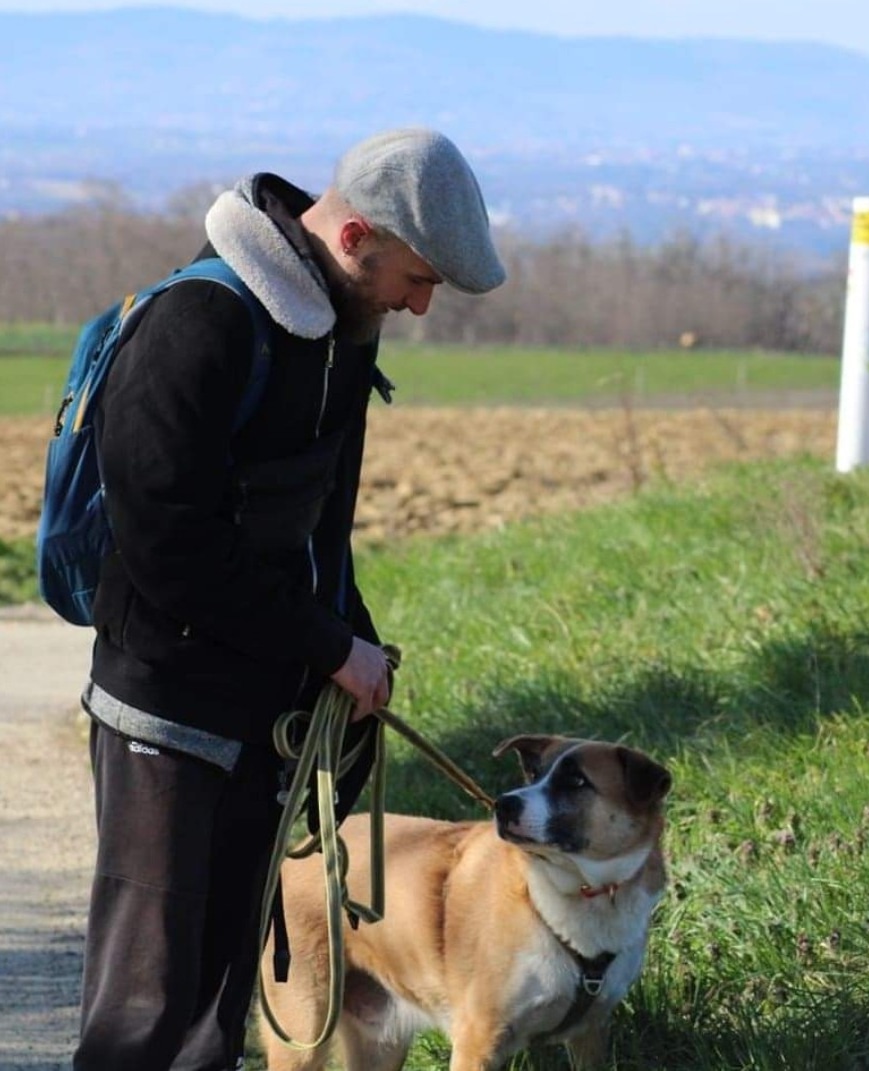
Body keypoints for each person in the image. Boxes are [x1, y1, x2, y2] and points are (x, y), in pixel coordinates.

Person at [72, 128, 505, 1071]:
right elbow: (166, 545)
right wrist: (323, 643)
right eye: (418, 277)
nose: (421, 306)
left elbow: (322, 534)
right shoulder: (197, 325)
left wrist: (355, 650)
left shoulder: (341, 334)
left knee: (220, 1006)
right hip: (168, 710)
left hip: (267, 715)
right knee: (144, 1011)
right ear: (354, 237)